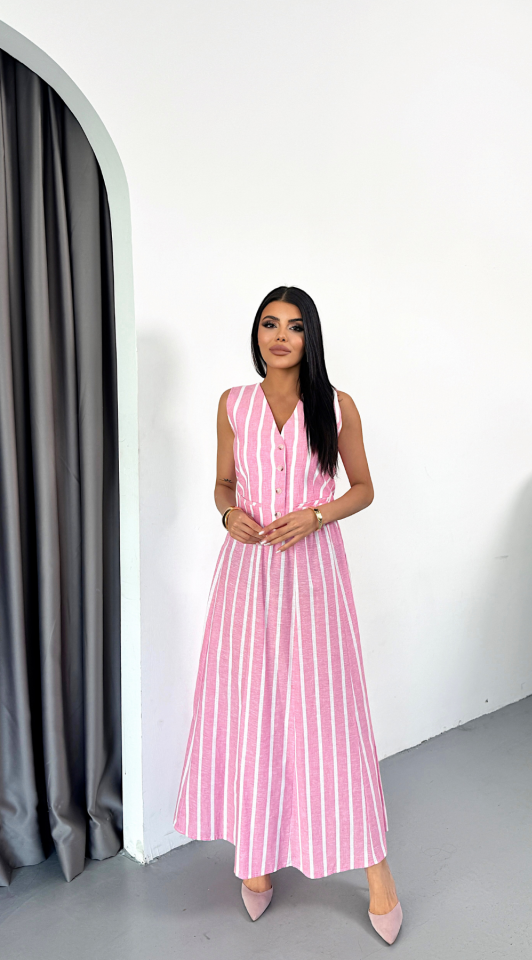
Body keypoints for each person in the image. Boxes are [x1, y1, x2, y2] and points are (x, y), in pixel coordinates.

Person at [173, 286, 402, 944]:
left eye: (294, 326)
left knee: (328, 715)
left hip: (314, 575)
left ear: (310, 338)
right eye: (270, 324)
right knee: (252, 709)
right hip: (246, 579)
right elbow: (223, 482)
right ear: (257, 334)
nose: (280, 336)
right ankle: (256, 861)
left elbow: (364, 487)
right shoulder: (233, 404)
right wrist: (227, 513)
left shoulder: (337, 405)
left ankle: (378, 875)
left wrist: (316, 515)